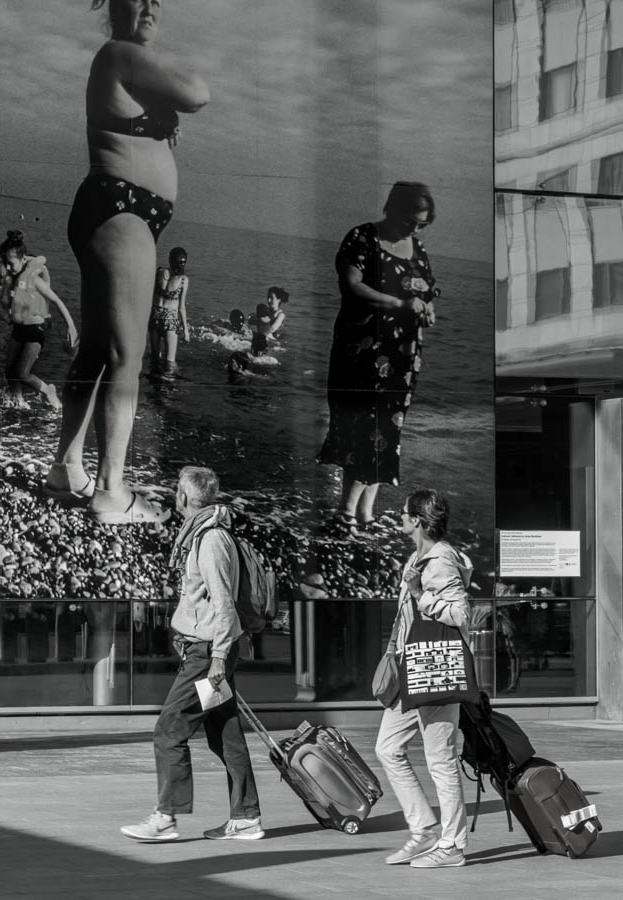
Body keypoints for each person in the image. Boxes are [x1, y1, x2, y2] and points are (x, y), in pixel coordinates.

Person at [44, 0, 209, 524]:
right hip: (124, 210)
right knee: (126, 357)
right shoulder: (121, 53)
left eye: (157, 0)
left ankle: (67, 467)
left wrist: (158, 116)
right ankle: (111, 491)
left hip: (115, 209)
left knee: (98, 349)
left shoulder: (119, 65)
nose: (150, 7)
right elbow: (197, 92)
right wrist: (169, 110)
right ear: (117, 6)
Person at [120, 466, 263, 842]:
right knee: (225, 735)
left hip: (207, 655)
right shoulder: (204, 533)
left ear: (183, 497)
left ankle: (166, 817)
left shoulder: (211, 540)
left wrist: (218, 658)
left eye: (176, 491)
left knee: (169, 730)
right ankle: (246, 817)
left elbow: (223, 603)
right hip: (206, 652)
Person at [317, 181, 439, 531]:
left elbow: (425, 291)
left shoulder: (417, 247)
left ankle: (364, 513)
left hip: (403, 356)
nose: (414, 229)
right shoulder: (362, 238)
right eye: (410, 221)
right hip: (361, 350)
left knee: (387, 429)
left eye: (422, 224)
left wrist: (426, 307)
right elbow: (351, 285)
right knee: (364, 428)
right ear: (392, 208)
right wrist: (399, 304)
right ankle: (346, 513)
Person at [374, 489, 472, 869]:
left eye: (403, 513)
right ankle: (425, 829)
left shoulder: (441, 560)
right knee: (387, 747)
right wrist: (392, 650)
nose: (399, 517)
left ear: (416, 520)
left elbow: (460, 614)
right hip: (409, 669)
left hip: (435, 671)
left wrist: (419, 594)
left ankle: (453, 845)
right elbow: (407, 616)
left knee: (441, 760)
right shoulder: (417, 557)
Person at [0, 231, 78, 409]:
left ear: (22, 259)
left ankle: (48, 390)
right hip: (19, 329)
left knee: (22, 373)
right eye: (5, 263)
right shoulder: (12, 279)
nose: (8, 267)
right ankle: (17, 401)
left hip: (35, 331)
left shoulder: (33, 278)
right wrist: (5, 313)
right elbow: (8, 304)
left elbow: (57, 301)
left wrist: (71, 326)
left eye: (11, 263)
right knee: (9, 370)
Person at [148, 246, 190, 378]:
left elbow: (150, 294)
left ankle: (154, 383)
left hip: (155, 315)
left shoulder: (159, 272)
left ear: (170, 259)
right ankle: (169, 385)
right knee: (170, 362)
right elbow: (181, 307)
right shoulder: (183, 280)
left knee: (155, 358)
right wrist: (186, 330)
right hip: (170, 319)